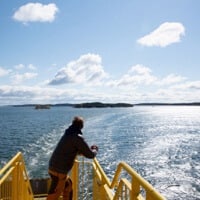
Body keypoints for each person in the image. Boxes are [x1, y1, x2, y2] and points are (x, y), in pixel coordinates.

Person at [46, 116, 98, 200]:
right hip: (59, 172)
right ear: (81, 126)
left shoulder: (67, 134)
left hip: (53, 167)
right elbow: (90, 155)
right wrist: (95, 149)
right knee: (53, 197)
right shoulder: (77, 137)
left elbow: (71, 149)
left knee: (68, 186)